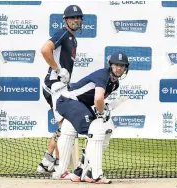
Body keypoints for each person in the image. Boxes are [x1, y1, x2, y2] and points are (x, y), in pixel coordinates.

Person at [52, 52, 129, 184]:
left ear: (126, 68)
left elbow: (99, 101)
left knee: (100, 133)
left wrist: (103, 110)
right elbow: (98, 98)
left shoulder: (115, 84)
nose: (119, 68)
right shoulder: (103, 75)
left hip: (79, 105)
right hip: (68, 100)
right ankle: (94, 175)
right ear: (110, 65)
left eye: (122, 66)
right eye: (116, 65)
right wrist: (101, 113)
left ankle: (79, 173)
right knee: (97, 132)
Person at [37, 4, 83, 178]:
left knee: (64, 125)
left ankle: (47, 163)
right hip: (54, 85)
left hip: (60, 86)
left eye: (78, 17)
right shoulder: (63, 34)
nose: (76, 20)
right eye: (72, 17)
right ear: (65, 20)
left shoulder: (73, 39)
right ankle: (60, 168)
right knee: (66, 126)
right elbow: (44, 50)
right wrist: (57, 69)